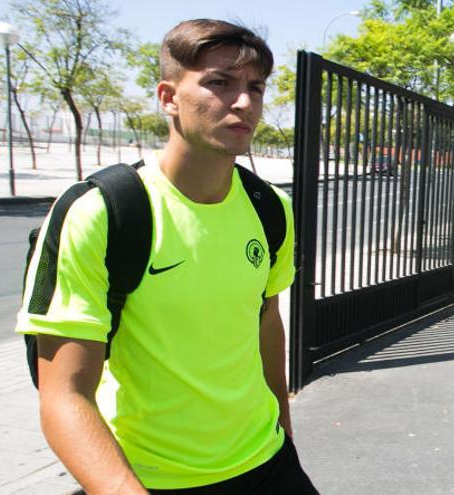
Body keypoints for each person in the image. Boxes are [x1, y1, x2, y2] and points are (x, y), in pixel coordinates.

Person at [16, 19, 317, 494]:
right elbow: (64, 396)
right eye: (219, 82)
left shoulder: (270, 207)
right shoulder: (103, 212)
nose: (243, 102)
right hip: (148, 479)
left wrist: (283, 428)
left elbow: (264, 318)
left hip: (268, 463)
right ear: (168, 97)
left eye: (255, 87)